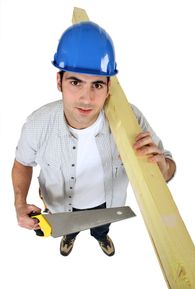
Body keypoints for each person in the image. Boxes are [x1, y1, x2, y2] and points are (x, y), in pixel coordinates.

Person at [12, 21, 176, 257]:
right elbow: (22, 164)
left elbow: (168, 168)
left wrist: (161, 167)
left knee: (101, 226)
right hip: (60, 208)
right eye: (75, 82)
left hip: (107, 205)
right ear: (59, 81)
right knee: (69, 229)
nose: (86, 98)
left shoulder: (131, 119)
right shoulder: (37, 124)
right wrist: (19, 203)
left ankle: (101, 236)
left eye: (97, 84)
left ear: (110, 86)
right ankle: (69, 237)